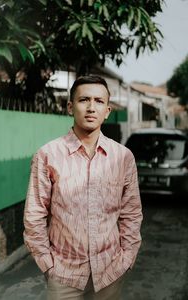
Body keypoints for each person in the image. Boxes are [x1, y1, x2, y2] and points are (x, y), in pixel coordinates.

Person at [23, 75, 143, 300]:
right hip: (64, 277)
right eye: (83, 100)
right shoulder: (48, 155)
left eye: (99, 101)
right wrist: (48, 265)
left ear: (107, 110)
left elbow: (131, 213)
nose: (91, 107)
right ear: (70, 106)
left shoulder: (123, 157)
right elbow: (34, 214)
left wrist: (127, 259)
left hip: (110, 274)